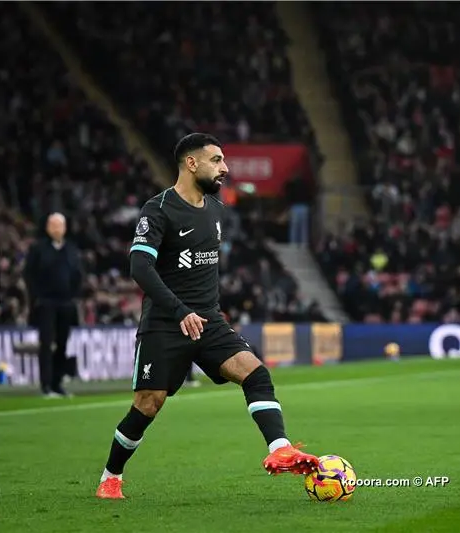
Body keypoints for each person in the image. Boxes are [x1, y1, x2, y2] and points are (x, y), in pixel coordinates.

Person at [95, 133, 319, 500]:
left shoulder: (216, 210)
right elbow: (139, 266)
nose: (225, 167)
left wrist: (208, 309)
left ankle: (280, 448)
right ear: (191, 163)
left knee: (255, 372)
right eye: (217, 160)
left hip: (208, 321)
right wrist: (179, 310)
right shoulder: (159, 209)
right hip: (166, 324)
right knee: (148, 405)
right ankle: (111, 476)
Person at [24, 213, 82, 398]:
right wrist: (37, 296)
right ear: (48, 227)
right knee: (46, 344)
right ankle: (46, 385)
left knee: (63, 344)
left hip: (65, 303)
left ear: (65, 228)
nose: (57, 229)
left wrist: (73, 295)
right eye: (53, 225)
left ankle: (58, 383)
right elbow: (29, 274)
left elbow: (78, 274)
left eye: (60, 225)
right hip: (46, 302)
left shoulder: (71, 249)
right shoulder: (38, 248)